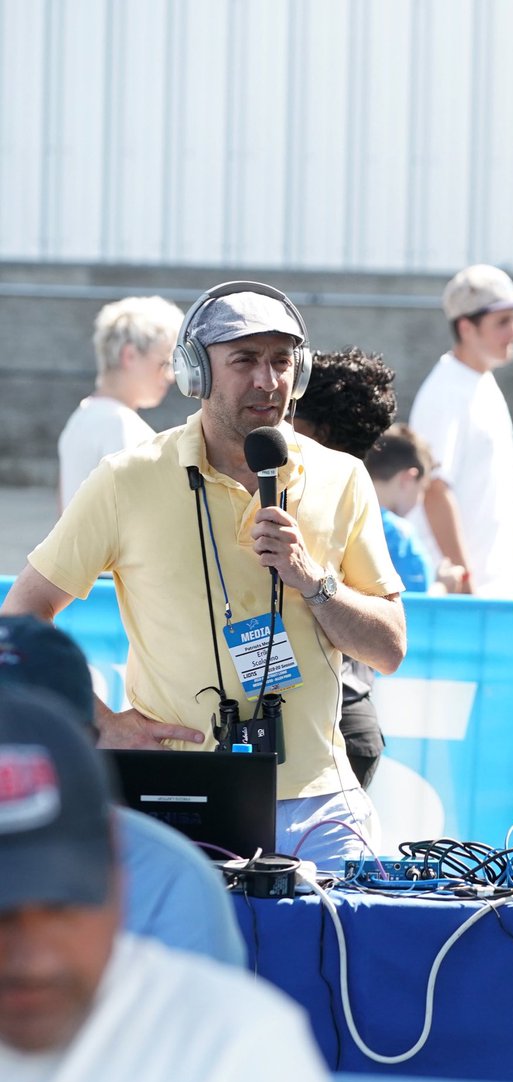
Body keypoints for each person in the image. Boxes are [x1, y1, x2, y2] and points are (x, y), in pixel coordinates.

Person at [1, 282, 406, 870]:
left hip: (322, 803)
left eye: (281, 360)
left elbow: (389, 649)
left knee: (344, 958)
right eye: (245, 360)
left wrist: (312, 581)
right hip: (175, 796)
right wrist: (102, 724)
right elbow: (19, 621)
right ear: (195, 372)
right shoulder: (127, 479)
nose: (268, 381)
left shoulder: (341, 477)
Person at [0, 685, 359, 1082]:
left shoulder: (233, 1046)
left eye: (62, 906)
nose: (30, 955)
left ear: (120, 885)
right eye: (3, 910)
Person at [0, 615, 246, 966]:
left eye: (25, 737)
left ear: (86, 740)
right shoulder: (171, 870)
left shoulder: (169, 877)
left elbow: (199, 1014)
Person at [291, 346, 400, 790]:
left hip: (335, 732)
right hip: (341, 727)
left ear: (320, 430)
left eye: (290, 414)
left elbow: (390, 645)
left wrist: (311, 580)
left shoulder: (336, 499)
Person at [407, 263, 513, 598]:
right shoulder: (446, 391)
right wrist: (465, 585)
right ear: (466, 327)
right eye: (502, 322)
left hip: (491, 589)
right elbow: (435, 490)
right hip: (465, 598)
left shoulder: (479, 381)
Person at [58, 294, 184, 509]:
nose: (171, 376)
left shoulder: (82, 416)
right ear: (130, 356)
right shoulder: (119, 425)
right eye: (165, 363)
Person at [365, 426, 466, 594]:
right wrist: (443, 586)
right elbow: (413, 609)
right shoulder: (399, 535)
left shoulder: (344, 518)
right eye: (423, 489)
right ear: (408, 479)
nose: (420, 499)